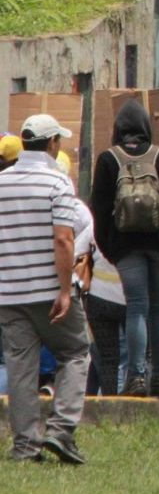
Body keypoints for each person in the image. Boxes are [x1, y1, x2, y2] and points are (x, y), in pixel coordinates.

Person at [0, 113, 93, 464]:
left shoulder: (2, 183)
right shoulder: (57, 183)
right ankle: (61, 429)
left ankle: (25, 445)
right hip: (48, 291)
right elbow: (64, 239)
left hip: (8, 293)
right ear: (52, 144)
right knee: (75, 352)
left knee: (20, 366)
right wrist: (66, 290)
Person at [87, 97, 159, 398]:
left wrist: (111, 250)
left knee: (136, 307)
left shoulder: (108, 160)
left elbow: (99, 209)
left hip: (126, 247)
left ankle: (135, 374)